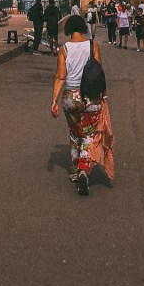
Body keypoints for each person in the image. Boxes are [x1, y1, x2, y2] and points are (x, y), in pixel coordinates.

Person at [50, 15, 114, 195]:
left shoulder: (64, 49)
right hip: (91, 97)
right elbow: (99, 72)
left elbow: (60, 76)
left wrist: (54, 101)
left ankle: (74, 172)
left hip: (71, 97)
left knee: (74, 133)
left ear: (68, 30)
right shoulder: (92, 45)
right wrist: (104, 95)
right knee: (88, 134)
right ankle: (84, 170)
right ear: (83, 28)